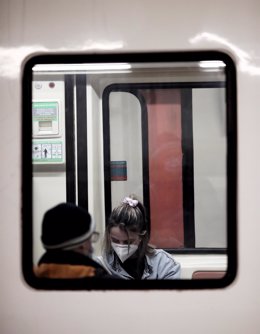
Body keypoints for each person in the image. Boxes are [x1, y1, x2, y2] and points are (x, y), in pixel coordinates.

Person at [98, 195, 181, 279]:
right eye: (115, 240)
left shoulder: (164, 264)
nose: (121, 246)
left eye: (128, 242)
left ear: (141, 236)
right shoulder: (101, 267)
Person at [34, 202, 112, 279]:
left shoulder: (35, 275)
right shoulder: (104, 282)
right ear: (82, 245)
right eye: (89, 238)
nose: (91, 247)